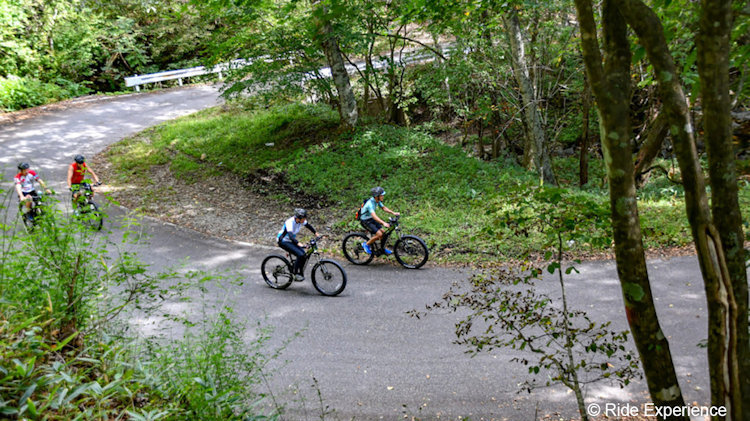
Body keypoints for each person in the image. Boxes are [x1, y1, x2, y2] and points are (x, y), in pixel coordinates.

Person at [277, 208, 320, 281]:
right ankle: (295, 273)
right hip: (283, 241)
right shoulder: (289, 222)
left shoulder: (301, 221)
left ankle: (300, 272)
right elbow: (290, 236)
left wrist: (316, 234)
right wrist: (299, 244)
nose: (305, 219)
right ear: (298, 218)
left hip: (291, 240)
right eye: (304, 218)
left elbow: (308, 226)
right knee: (300, 255)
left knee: (304, 254)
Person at [360, 186, 400, 255]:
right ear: (376, 196)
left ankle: (382, 249)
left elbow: (384, 208)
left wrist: (393, 213)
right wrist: (383, 223)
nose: (383, 197)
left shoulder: (377, 201)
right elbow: (374, 216)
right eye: (382, 195)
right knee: (379, 234)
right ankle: (366, 244)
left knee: (383, 233)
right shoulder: (370, 204)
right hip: (365, 221)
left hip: (370, 219)